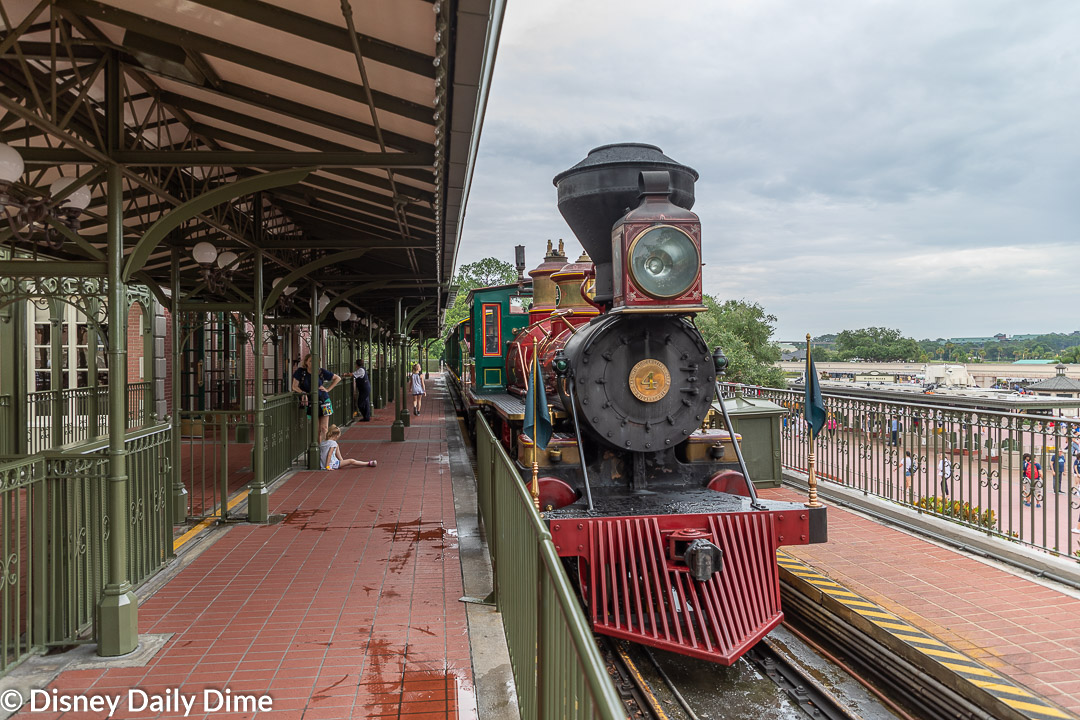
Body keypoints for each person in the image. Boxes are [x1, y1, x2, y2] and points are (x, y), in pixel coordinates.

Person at [292, 353, 340, 442]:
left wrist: (328, 389)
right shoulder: (301, 372)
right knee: (316, 429)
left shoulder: (321, 371)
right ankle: (318, 449)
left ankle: (324, 450)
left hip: (324, 400)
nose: (313, 363)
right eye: (310, 361)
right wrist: (303, 393)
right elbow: (294, 386)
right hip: (311, 402)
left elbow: (337, 378)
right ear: (306, 362)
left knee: (324, 428)